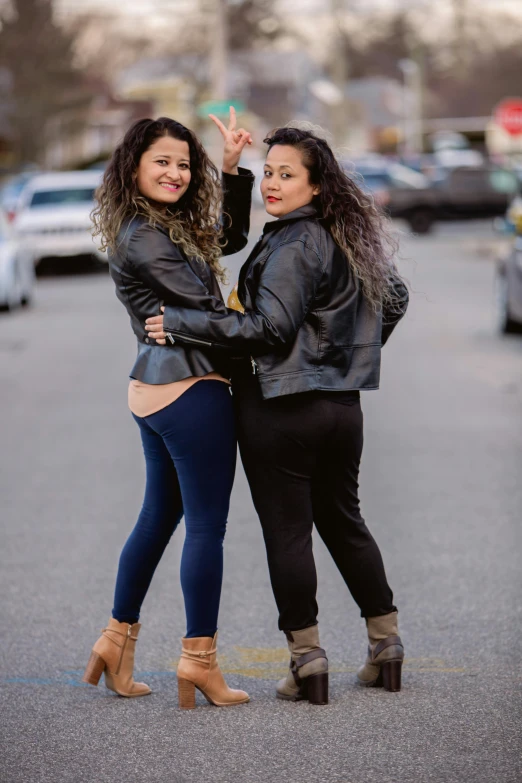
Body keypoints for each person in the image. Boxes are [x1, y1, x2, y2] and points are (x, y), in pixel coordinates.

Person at [145, 127, 409, 705]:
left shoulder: (293, 245)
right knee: (345, 522)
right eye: (269, 173)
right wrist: (343, 358)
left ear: (316, 185)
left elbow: (268, 329)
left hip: (282, 410)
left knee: (289, 533)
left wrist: (184, 324)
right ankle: (385, 645)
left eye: (287, 174)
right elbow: (395, 298)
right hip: (342, 408)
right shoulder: (345, 234)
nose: (272, 183)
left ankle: (307, 663)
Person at [82, 112, 254, 710]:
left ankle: (116, 642)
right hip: (189, 389)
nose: (177, 172)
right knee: (207, 525)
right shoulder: (145, 236)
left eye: (185, 163)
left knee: (158, 517)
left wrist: (228, 168)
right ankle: (198, 661)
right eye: (163, 161)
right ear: (133, 166)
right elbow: (208, 303)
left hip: (156, 388)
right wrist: (263, 324)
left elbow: (222, 240)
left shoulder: (158, 224)